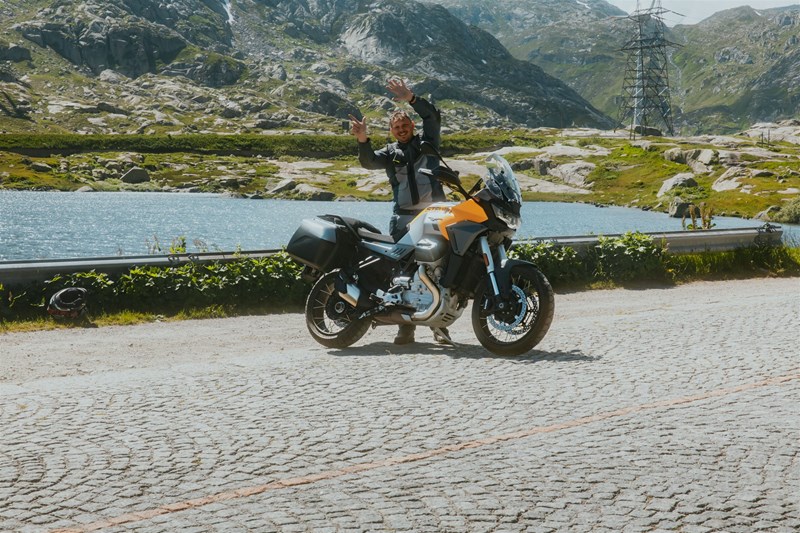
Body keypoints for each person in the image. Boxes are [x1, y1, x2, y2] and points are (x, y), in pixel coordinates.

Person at [348, 78, 448, 345]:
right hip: (402, 219)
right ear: (392, 131)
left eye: (405, 125)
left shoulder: (429, 142)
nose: (402, 130)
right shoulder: (390, 153)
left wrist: (411, 98)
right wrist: (363, 140)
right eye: (397, 127)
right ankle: (406, 327)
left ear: (412, 126)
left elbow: (432, 116)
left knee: (436, 270)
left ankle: (439, 325)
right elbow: (368, 162)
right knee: (403, 273)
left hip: (435, 217)